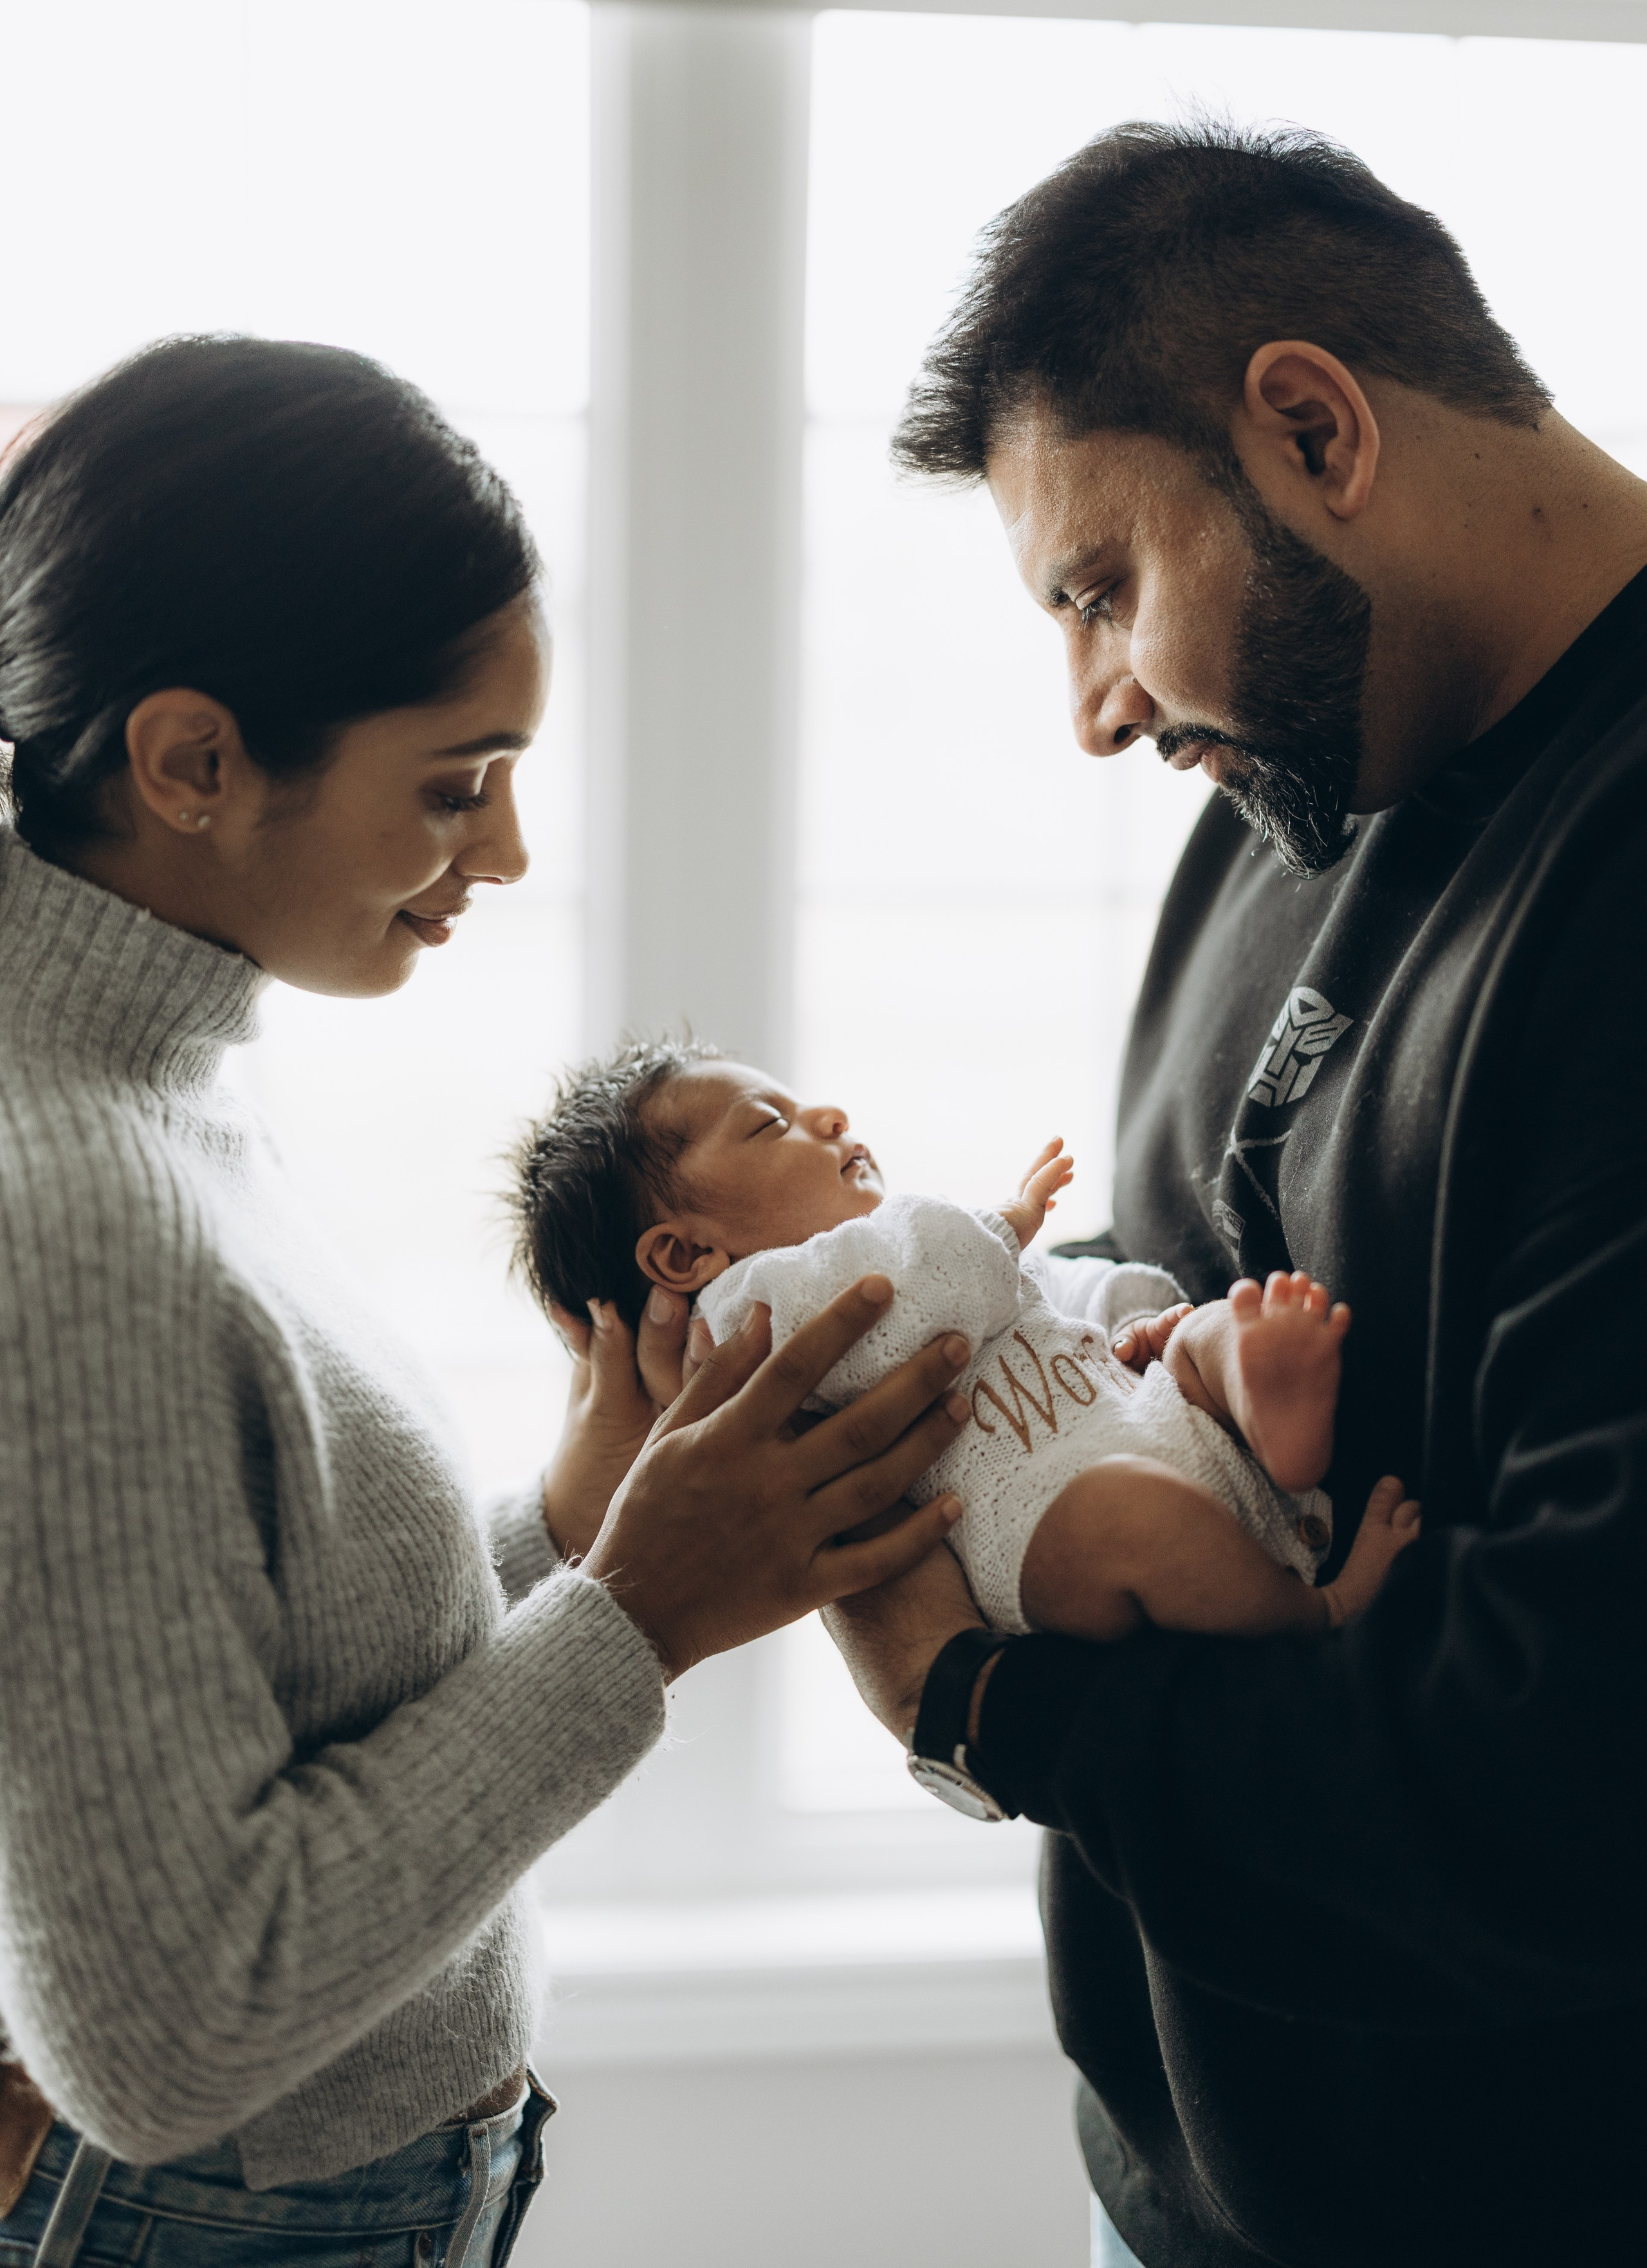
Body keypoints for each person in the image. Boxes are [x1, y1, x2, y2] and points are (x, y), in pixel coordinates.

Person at [0, 336, 969, 2268]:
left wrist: (568, 1536)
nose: (506, 856)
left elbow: (252, 1701)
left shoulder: (159, 1082)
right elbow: (167, 2033)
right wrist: (643, 1615)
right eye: (459, 784)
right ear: (193, 760)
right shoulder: (66, 1209)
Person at [816, 120, 1647, 2267]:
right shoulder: (1304, 790)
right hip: (1186, 2189)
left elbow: (1564, 1774)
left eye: (1103, 586)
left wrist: (979, 1705)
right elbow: (1229, 1270)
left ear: (1312, 427)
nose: (1097, 706)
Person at [511, 1042, 1417, 1645]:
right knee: (1132, 1517)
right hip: (1042, 1519)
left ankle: (1257, 1397)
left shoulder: (908, 1247)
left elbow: (1034, 1297)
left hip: (1129, 1413)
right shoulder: (753, 1320)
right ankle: (1316, 1611)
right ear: (684, 1253)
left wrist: (1130, 1321)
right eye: (767, 1123)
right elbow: (933, 1292)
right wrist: (1011, 1220)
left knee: (1209, 1331)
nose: (827, 1115)